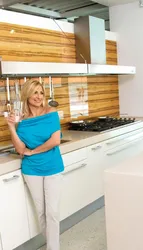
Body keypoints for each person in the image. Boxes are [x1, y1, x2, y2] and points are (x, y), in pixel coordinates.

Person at [6, 79, 64, 250]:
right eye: (35, 92)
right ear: (27, 94)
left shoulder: (51, 112)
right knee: (41, 213)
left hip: (52, 166)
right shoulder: (21, 120)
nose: (39, 96)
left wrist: (33, 152)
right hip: (31, 170)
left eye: (41, 93)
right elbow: (20, 149)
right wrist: (11, 127)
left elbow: (55, 141)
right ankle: (52, 246)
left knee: (52, 212)